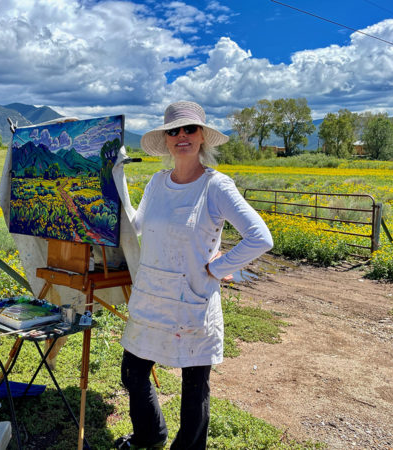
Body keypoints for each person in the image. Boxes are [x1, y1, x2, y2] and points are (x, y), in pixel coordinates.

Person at [115, 101, 273, 449]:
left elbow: (260, 237)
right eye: (174, 131)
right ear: (166, 140)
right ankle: (149, 435)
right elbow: (135, 226)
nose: (181, 136)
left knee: (194, 386)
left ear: (202, 137)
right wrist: (113, 181)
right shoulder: (157, 183)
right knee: (133, 370)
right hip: (151, 295)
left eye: (189, 129)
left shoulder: (216, 186)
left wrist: (217, 269)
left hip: (192, 300)